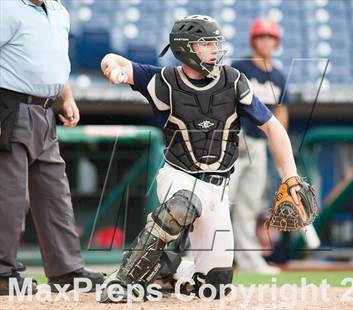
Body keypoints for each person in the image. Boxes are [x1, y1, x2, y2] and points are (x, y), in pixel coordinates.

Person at [99, 15, 302, 302]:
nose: (215, 50)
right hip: (177, 176)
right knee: (185, 203)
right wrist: (111, 67)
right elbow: (115, 60)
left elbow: (273, 127)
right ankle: (124, 277)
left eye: (215, 44)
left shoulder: (233, 81)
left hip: (218, 191)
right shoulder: (164, 80)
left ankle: (162, 270)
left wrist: (290, 176)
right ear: (186, 48)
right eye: (207, 44)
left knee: (215, 285)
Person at [0, 0, 104, 295]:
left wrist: (67, 98)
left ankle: (66, 270)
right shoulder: (6, 7)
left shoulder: (58, 10)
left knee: (54, 191)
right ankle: (2, 271)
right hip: (9, 104)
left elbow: (58, 62)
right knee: (9, 194)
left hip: (46, 109)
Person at [229, 18, 290, 273]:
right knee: (219, 201)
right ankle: (195, 256)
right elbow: (225, 101)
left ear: (276, 43)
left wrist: (278, 146)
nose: (266, 42)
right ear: (253, 41)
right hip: (234, 141)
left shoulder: (277, 76)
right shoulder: (239, 67)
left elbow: (281, 112)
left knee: (249, 205)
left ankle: (248, 260)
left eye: (270, 38)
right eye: (261, 37)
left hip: (258, 145)